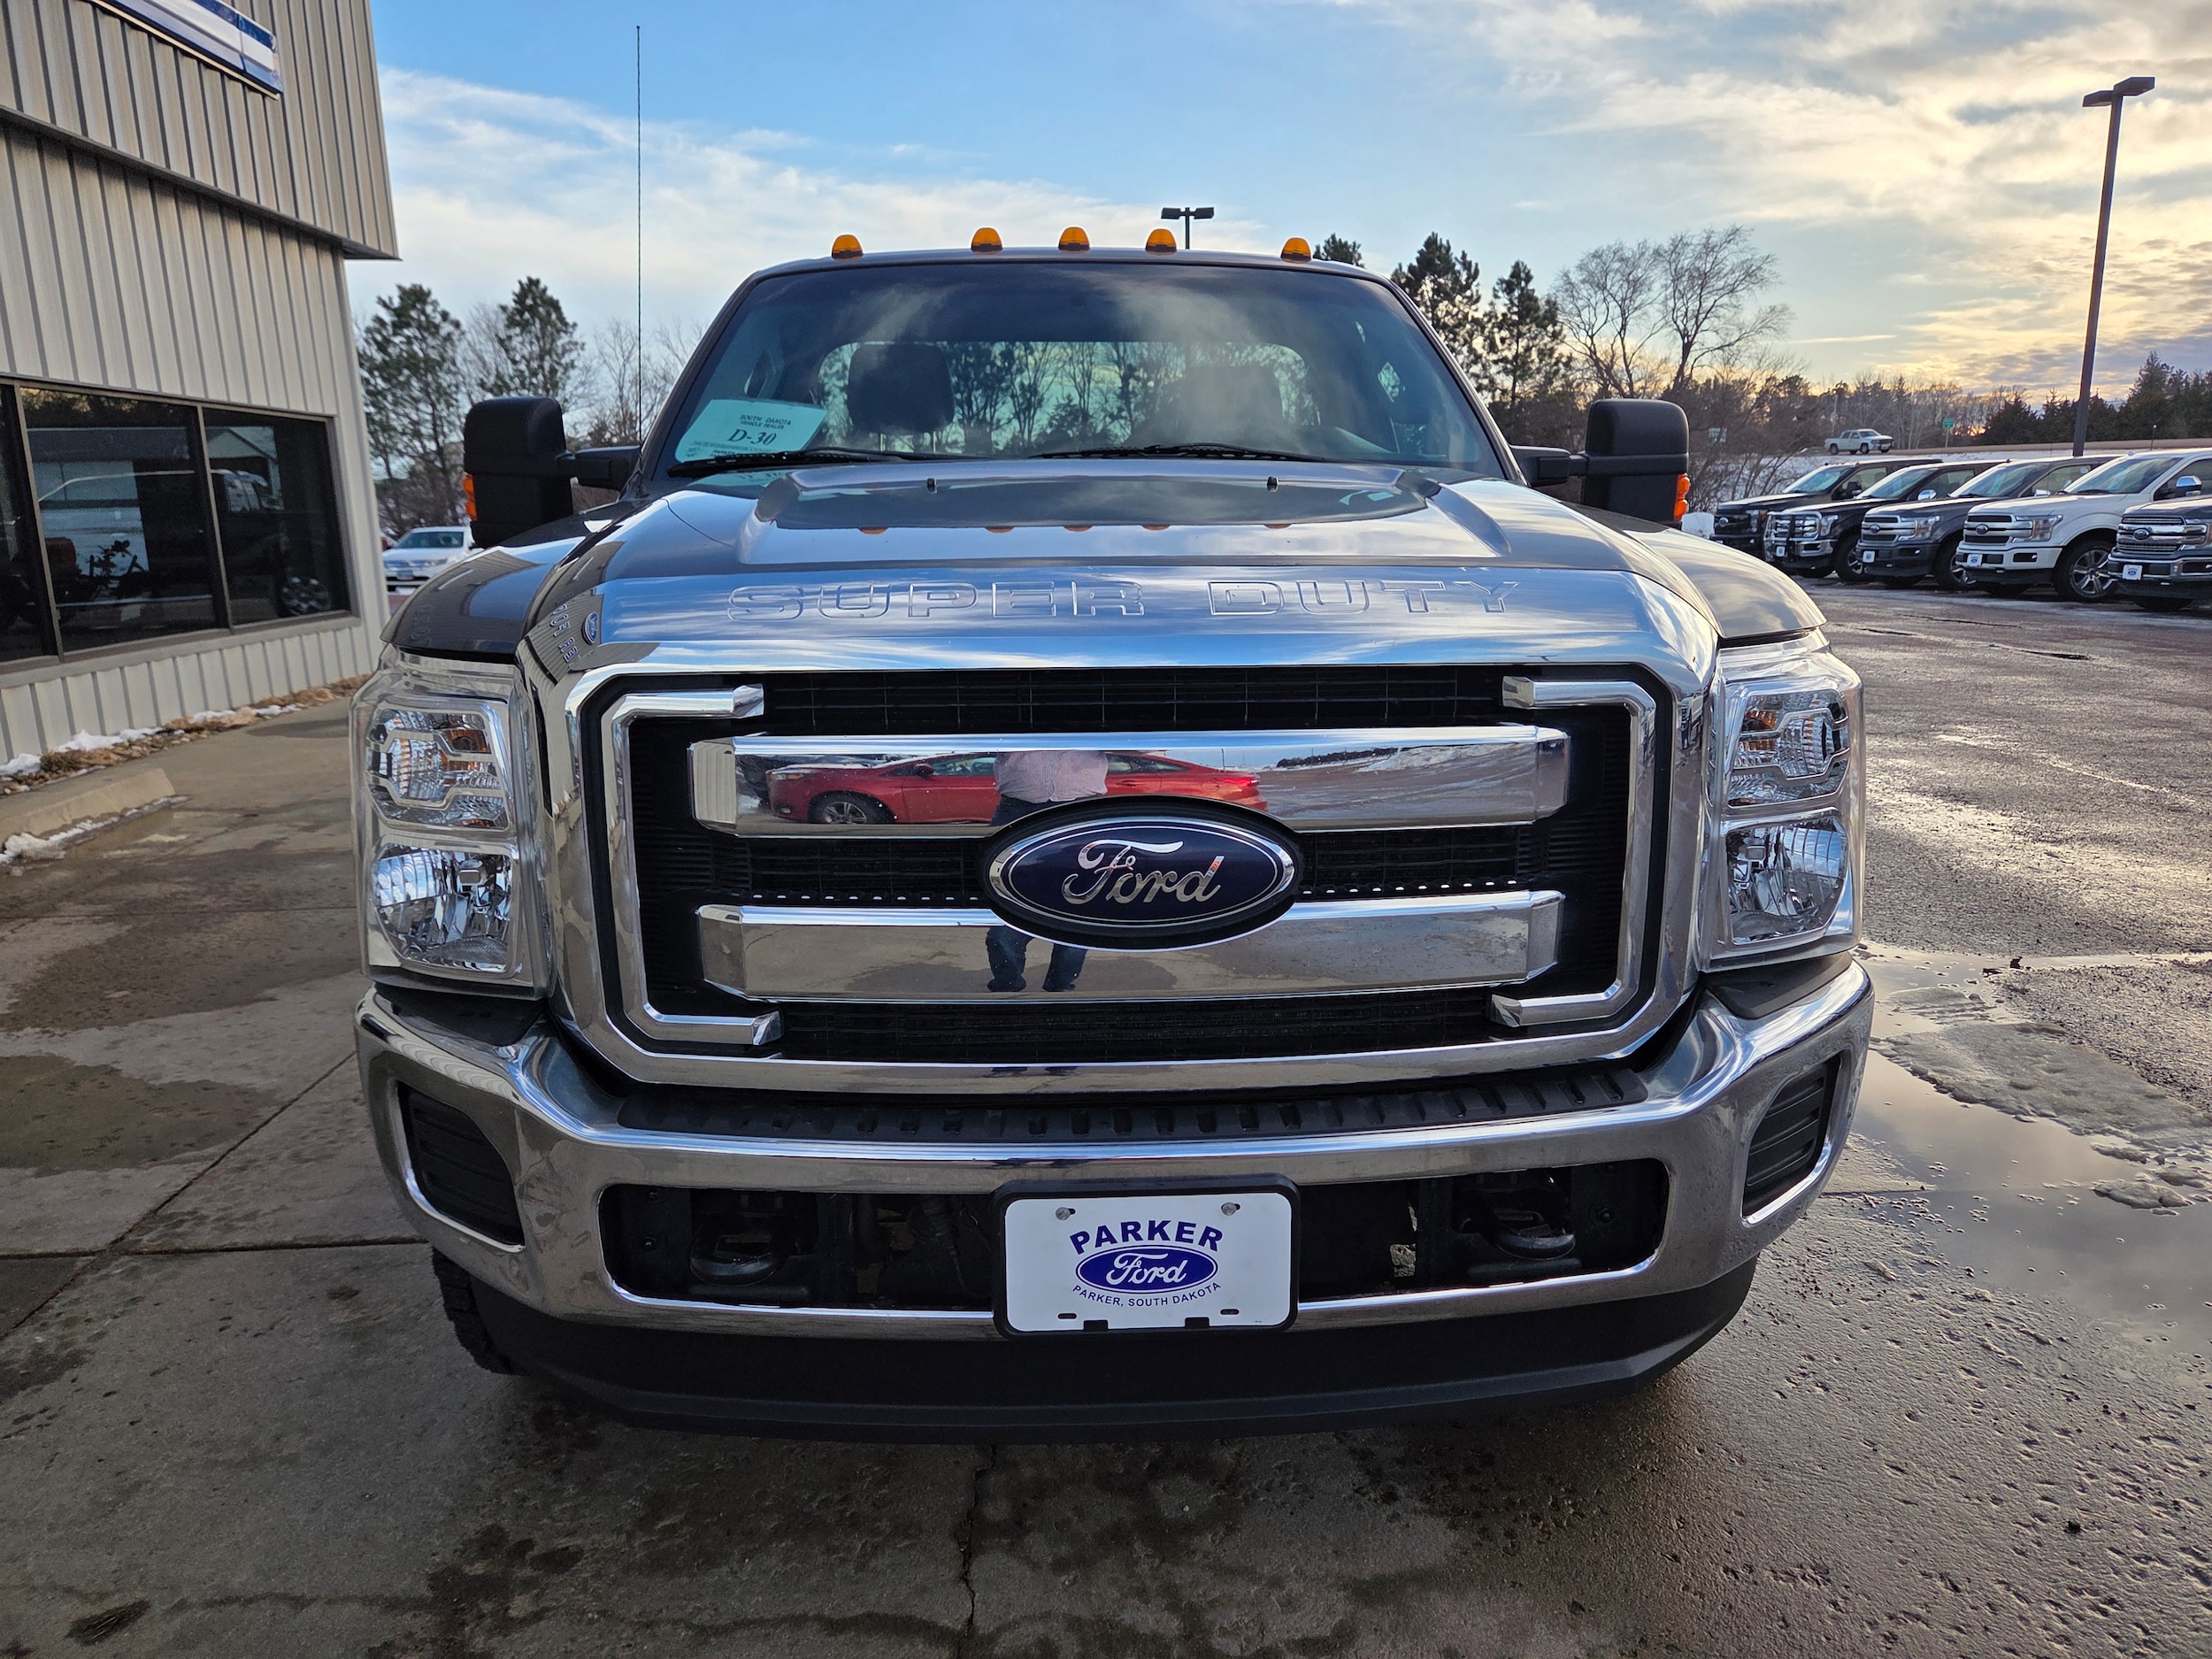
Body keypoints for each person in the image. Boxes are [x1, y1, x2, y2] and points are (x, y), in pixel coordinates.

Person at [985, 749, 1108, 993]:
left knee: (1078, 905)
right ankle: (1007, 988)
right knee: (1002, 898)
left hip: (1081, 810)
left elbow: (1137, 744)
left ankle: (1059, 991)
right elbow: (981, 740)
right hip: (1016, 809)